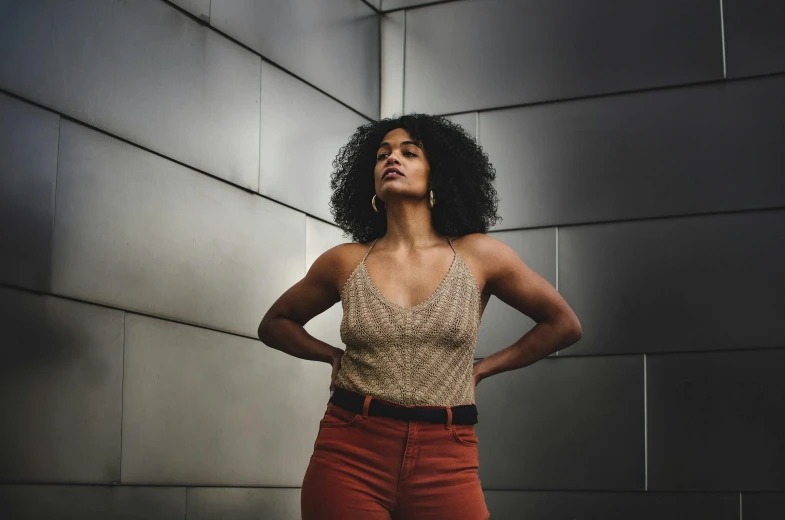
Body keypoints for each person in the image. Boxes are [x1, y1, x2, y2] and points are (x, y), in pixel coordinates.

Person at [258, 113, 582, 519]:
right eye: (382, 155)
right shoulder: (344, 262)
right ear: (371, 178)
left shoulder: (480, 256)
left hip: (447, 458)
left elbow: (563, 325)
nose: (392, 159)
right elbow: (274, 323)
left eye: (409, 152)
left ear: (438, 175)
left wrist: (481, 370)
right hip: (349, 453)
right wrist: (331, 356)